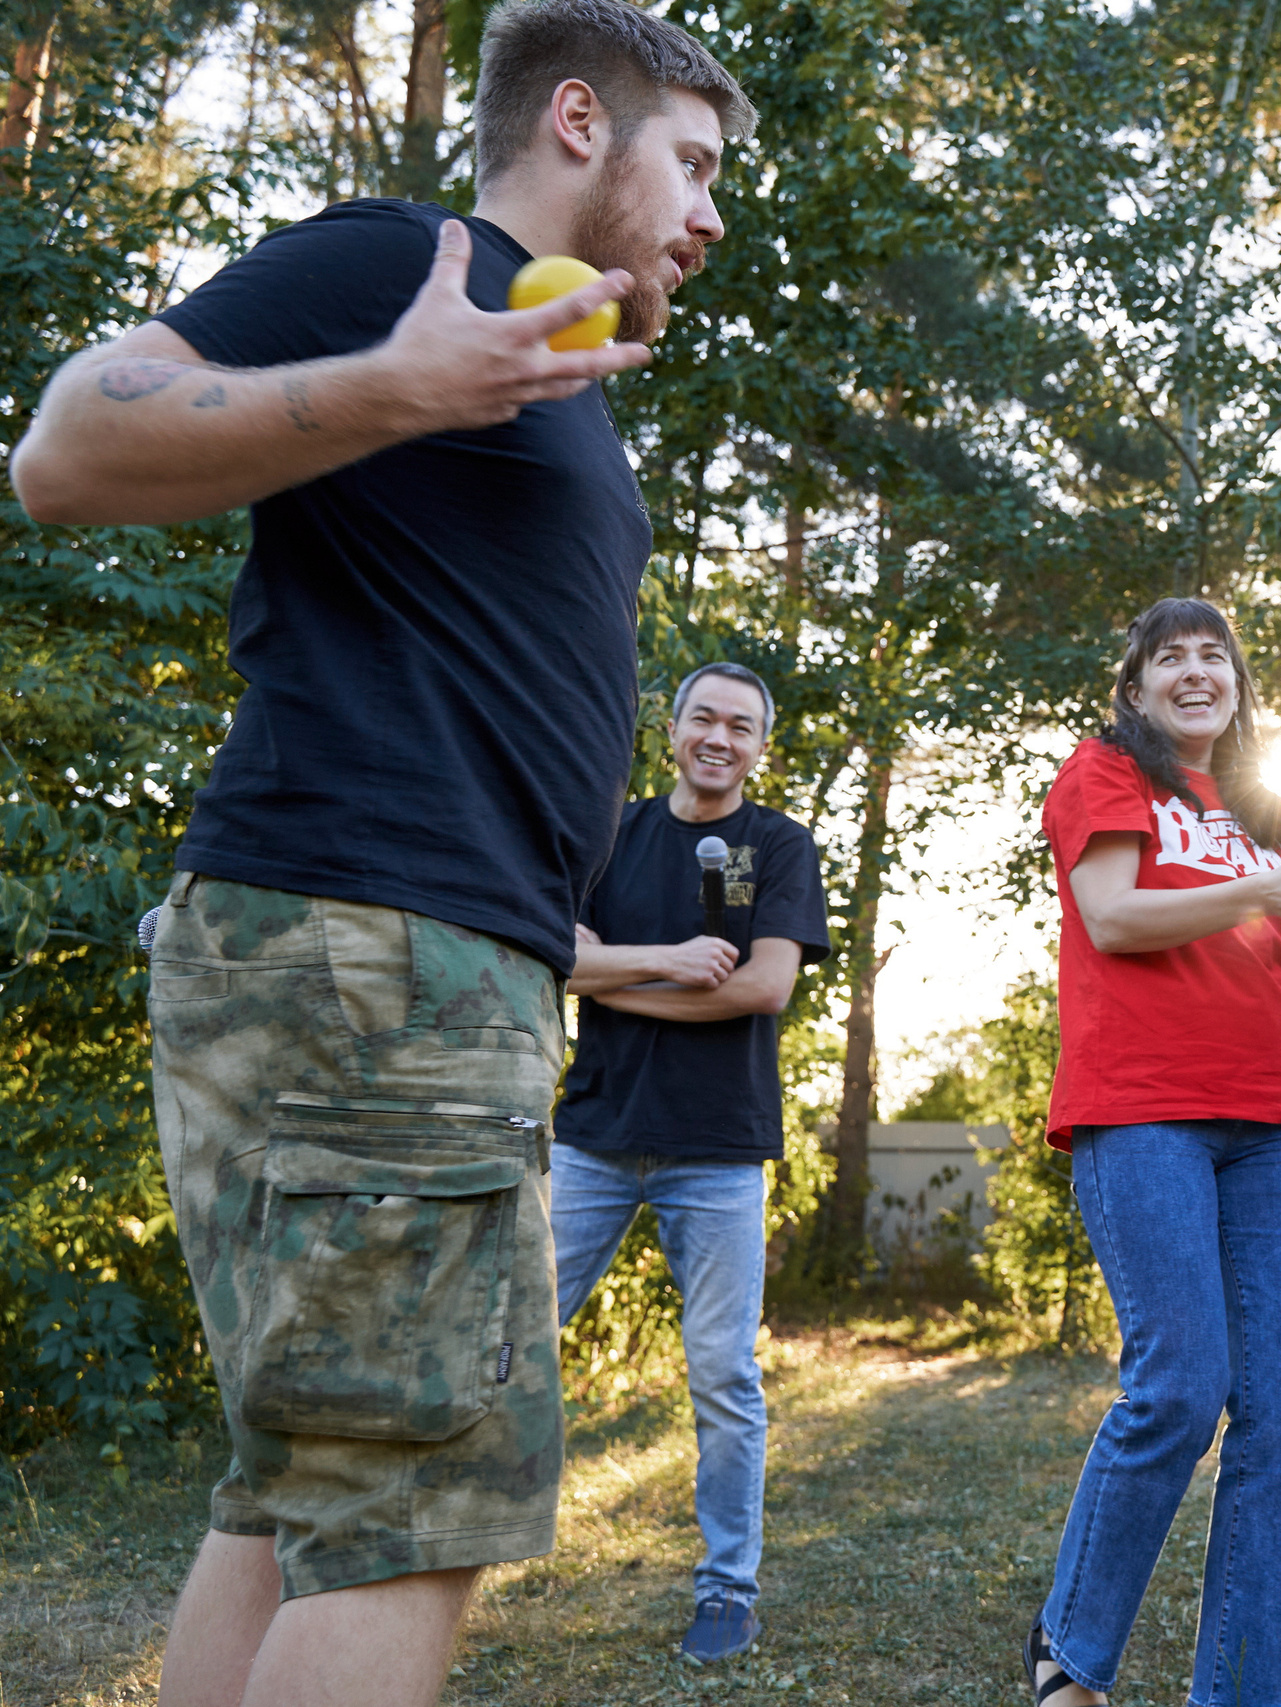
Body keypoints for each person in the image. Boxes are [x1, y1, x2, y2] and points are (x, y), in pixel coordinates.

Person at [8, 2, 753, 1702]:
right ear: (580, 120)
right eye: (693, 166)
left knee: (307, 1486)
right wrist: (386, 382)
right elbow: (66, 446)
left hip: (392, 959)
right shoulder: (411, 266)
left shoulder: (529, 352)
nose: (711, 217)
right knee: (409, 1501)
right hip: (374, 958)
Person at [1026, 598, 1281, 1707]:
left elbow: (1279, 970)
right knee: (1180, 1387)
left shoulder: (1265, 808)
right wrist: (1266, 890)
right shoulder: (1103, 774)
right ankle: (1069, 1657)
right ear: (1134, 691)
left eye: (1214, 656)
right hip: (1143, 1114)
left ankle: (1247, 1693)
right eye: (1169, 658)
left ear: (1237, 684)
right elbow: (1116, 918)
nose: (1196, 671)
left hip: (1277, 1123)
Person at [548, 662, 833, 1663]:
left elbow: (762, 987)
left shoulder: (775, 844)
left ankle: (726, 1591)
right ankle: (428, 1549)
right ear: (671, 729)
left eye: (741, 726)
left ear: (760, 746)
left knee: (721, 1375)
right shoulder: (608, 833)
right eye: (704, 718)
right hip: (591, 1137)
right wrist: (666, 960)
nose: (721, 736)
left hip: (718, 1148)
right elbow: (548, 952)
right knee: (500, 1333)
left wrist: (614, 970)